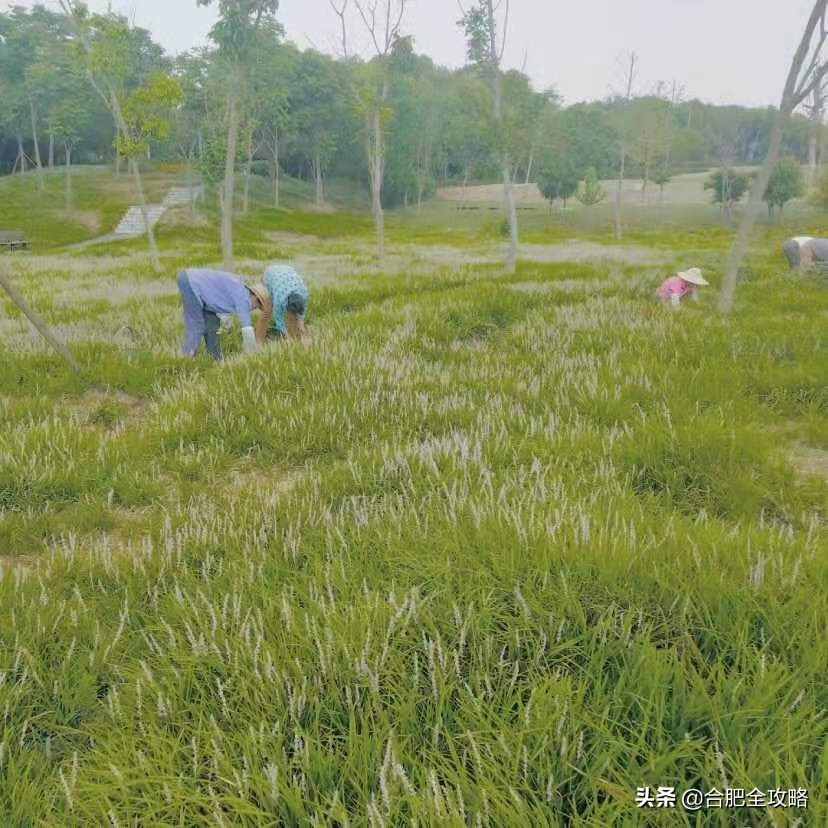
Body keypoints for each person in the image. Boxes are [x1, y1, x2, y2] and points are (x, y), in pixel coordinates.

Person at [177, 268, 270, 359]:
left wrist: (224, 317)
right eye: (257, 305)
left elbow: (220, 296)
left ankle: (215, 358)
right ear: (255, 297)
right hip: (192, 282)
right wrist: (252, 351)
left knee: (212, 323)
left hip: (197, 284)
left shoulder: (240, 290)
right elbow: (246, 326)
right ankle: (187, 357)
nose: (254, 308)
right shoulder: (244, 297)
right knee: (196, 324)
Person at [257, 263, 309, 341]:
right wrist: (287, 337)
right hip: (270, 275)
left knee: (295, 319)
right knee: (267, 312)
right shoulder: (279, 301)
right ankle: (259, 340)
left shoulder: (304, 294)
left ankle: (297, 336)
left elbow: (300, 316)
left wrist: (301, 330)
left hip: (286, 272)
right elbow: (279, 322)